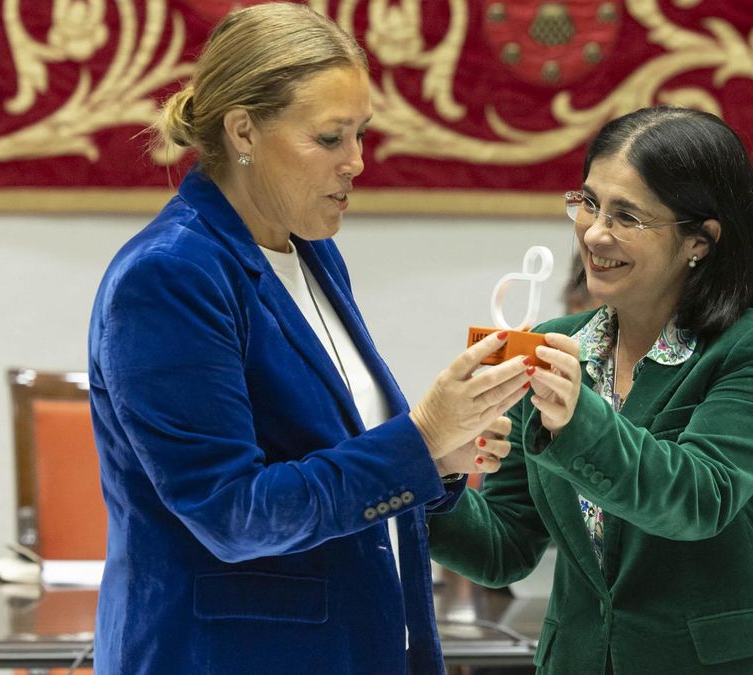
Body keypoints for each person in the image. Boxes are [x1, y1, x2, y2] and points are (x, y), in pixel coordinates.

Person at [87, 5, 530, 674]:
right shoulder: (169, 275)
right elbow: (234, 513)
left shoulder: (309, 251)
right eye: (330, 138)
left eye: (361, 134)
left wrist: (439, 457)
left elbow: (333, 455)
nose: (357, 162)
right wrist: (420, 435)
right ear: (243, 130)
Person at [428, 106, 753, 674]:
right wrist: (435, 468)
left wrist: (578, 419)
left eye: (627, 216)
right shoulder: (553, 344)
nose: (594, 232)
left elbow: (698, 499)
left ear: (700, 241)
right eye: (588, 203)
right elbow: (504, 546)